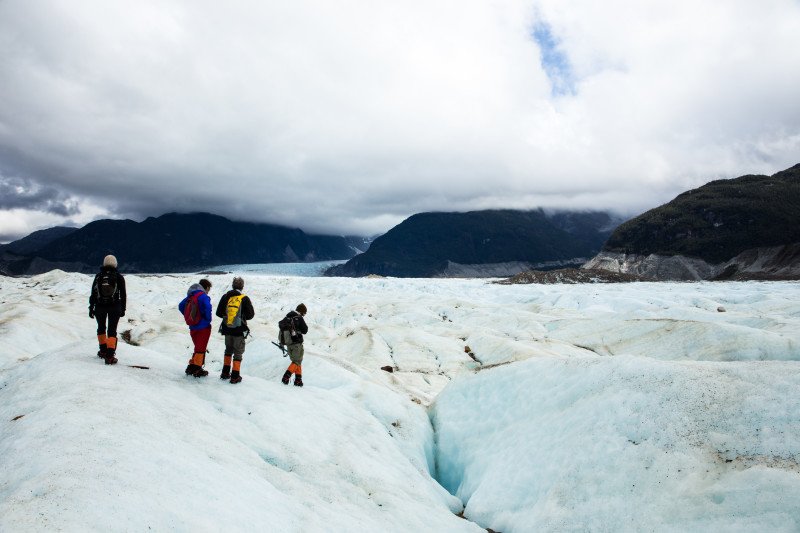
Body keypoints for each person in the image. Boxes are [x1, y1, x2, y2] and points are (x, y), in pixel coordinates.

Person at [216, 277, 255, 384]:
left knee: (228, 350)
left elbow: (218, 313)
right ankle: (235, 376)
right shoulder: (244, 298)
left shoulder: (225, 297)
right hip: (239, 329)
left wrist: (228, 317)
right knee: (238, 353)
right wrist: (240, 318)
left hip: (227, 328)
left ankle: (225, 373)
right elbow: (251, 315)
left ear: (232, 285)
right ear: (242, 287)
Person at [89, 254, 126, 365]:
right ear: (115, 264)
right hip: (115, 306)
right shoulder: (118, 277)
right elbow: (123, 295)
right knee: (112, 331)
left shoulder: (98, 276)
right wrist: (123, 309)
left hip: (100, 306)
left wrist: (91, 308)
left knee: (101, 328)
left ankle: (103, 351)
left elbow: (93, 294)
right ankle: (110, 356)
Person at [179, 278, 213, 377]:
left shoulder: (191, 295)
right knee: (201, 348)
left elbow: (181, 306)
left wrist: (189, 316)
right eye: (208, 289)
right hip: (203, 327)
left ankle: (192, 366)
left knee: (197, 347)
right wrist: (207, 319)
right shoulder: (203, 296)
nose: (208, 291)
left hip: (193, 326)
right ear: (206, 287)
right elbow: (207, 308)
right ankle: (197, 369)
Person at [280, 303, 308, 387]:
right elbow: (305, 330)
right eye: (304, 313)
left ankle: (298, 380)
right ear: (302, 312)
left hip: (288, 343)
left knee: (297, 361)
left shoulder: (287, 317)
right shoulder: (298, 318)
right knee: (297, 361)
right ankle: (286, 377)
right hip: (296, 343)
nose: (304, 315)